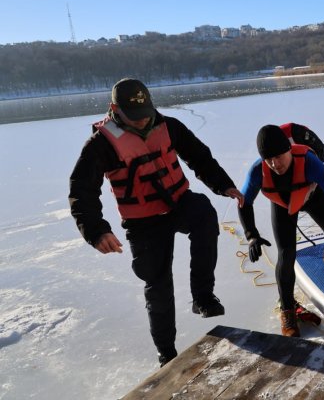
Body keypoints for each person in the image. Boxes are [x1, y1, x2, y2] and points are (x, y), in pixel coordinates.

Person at [68, 78, 242, 367]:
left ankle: (203, 296)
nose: (143, 120)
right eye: (134, 117)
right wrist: (96, 231)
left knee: (204, 214)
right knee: (158, 287)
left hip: (177, 203)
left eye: (146, 112)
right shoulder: (101, 145)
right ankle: (167, 354)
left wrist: (224, 185)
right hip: (142, 221)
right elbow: (81, 190)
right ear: (115, 109)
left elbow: (199, 157)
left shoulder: (168, 126)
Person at [237, 124, 324, 337]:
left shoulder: (309, 162)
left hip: (313, 196)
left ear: (289, 150)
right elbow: (244, 202)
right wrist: (251, 235)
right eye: (268, 159)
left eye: (279, 156)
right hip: (283, 206)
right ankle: (287, 310)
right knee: (286, 254)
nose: (274, 164)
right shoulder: (258, 170)